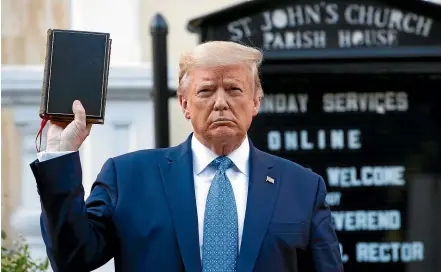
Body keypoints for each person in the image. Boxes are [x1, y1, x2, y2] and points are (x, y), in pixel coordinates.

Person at [30, 41, 343, 272]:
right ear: (184, 104)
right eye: (206, 91)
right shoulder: (129, 178)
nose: (221, 103)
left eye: (234, 89)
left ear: (256, 101)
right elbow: (72, 259)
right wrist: (60, 155)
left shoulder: (302, 186)